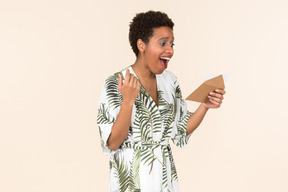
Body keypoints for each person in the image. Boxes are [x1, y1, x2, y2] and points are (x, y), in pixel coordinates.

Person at [97, 10, 226, 192]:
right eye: (163, 43)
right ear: (141, 45)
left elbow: (180, 130)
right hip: (132, 180)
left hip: (164, 178)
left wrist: (204, 106)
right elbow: (112, 143)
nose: (170, 50)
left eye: (172, 44)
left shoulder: (170, 81)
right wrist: (128, 102)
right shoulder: (115, 83)